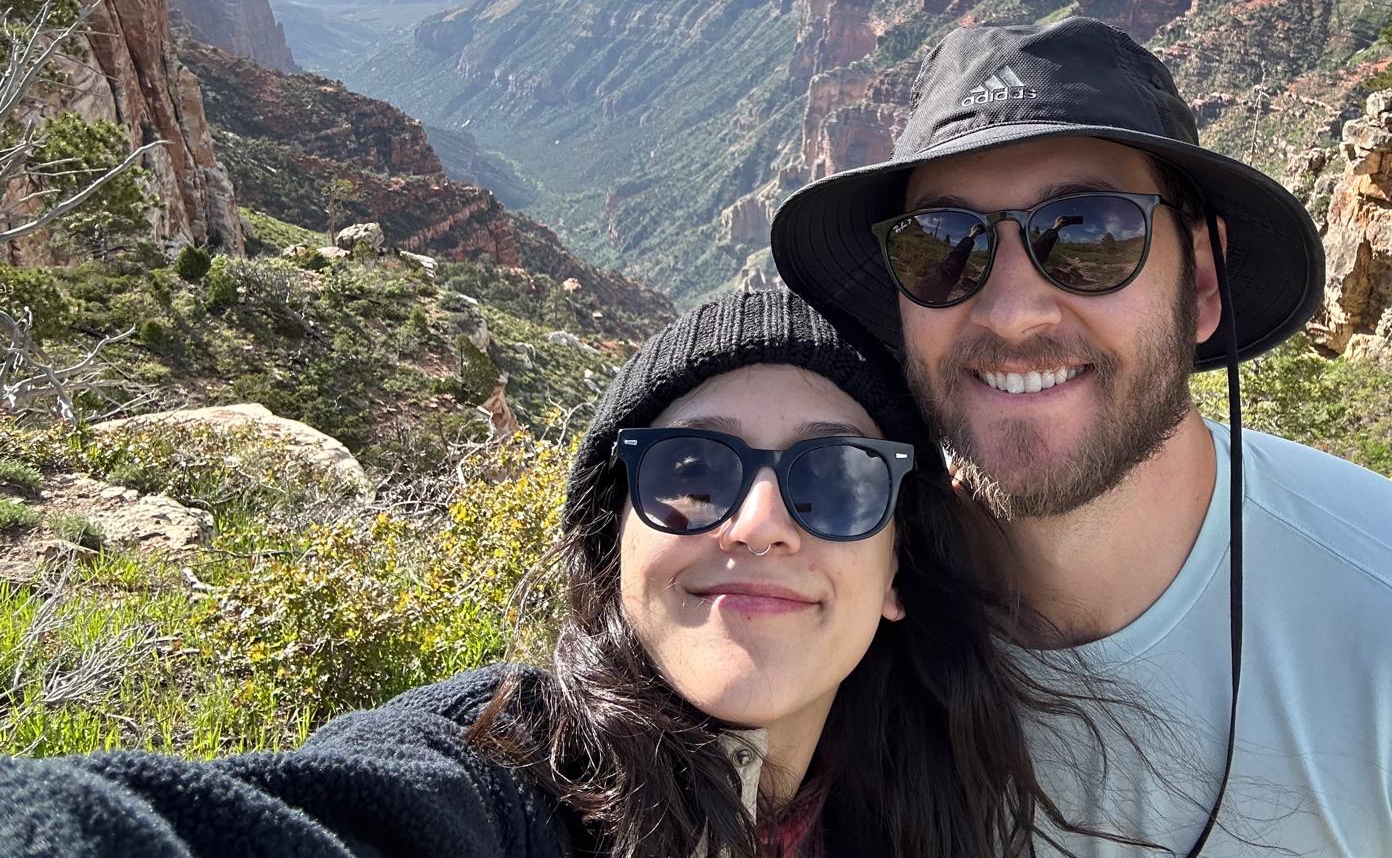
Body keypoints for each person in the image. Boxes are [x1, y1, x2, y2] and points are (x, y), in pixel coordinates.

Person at [770, 17, 1392, 857]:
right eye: (943, 244)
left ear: (1201, 282)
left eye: (1087, 234)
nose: (1011, 312)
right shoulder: (826, 606)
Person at [0, 289, 1133, 858]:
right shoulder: (516, 778)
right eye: (692, 471)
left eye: (835, 481)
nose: (759, 520)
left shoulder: (929, 796)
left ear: (896, 568)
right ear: (615, 544)